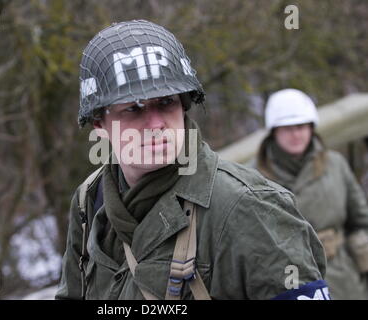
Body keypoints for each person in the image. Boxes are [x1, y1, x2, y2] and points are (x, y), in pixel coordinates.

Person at [56, 20, 329, 300]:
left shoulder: (249, 206)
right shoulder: (90, 199)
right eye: (133, 109)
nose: (156, 124)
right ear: (99, 124)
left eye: (166, 103)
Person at [254, 88, 368, 300]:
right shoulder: (253, 176)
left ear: (311, 128)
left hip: (342, 279)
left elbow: (360, 221)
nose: (296, 134)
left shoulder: (335, 165)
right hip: (283, 283)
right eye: (287, 128)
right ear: (274, 131)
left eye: (301, 126)